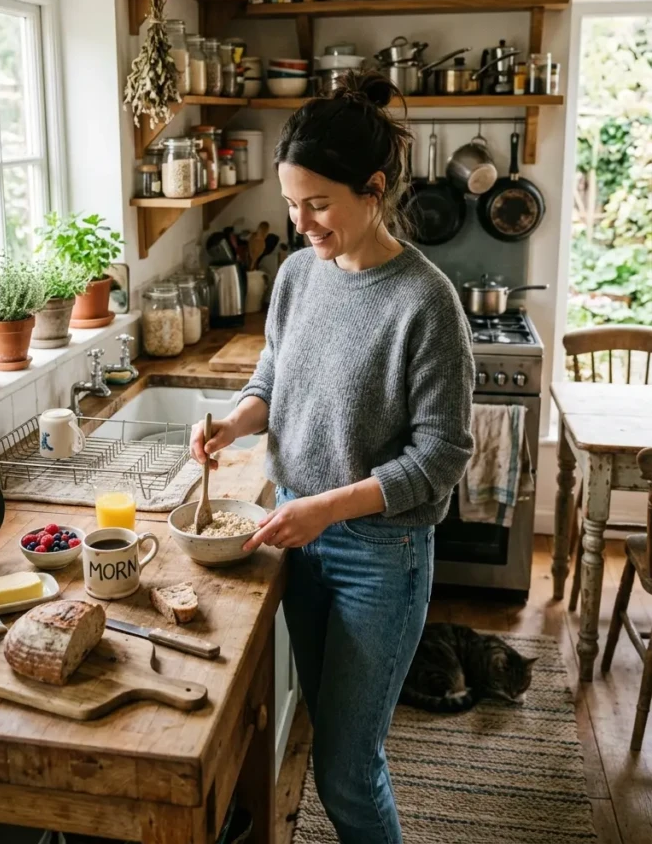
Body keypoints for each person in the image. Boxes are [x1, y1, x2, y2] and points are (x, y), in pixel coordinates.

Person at [190, 71, 475, 843]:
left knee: (346, 770)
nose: (301, 222)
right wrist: (235, 424)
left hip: (379, 554)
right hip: (296, 534)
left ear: (372, 187)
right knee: (323, 739)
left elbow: (440, 455)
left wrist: (323, 509)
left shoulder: (424, 301)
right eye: (291, 203)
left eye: (318, 203)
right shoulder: (294, 275)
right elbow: (273, 376)